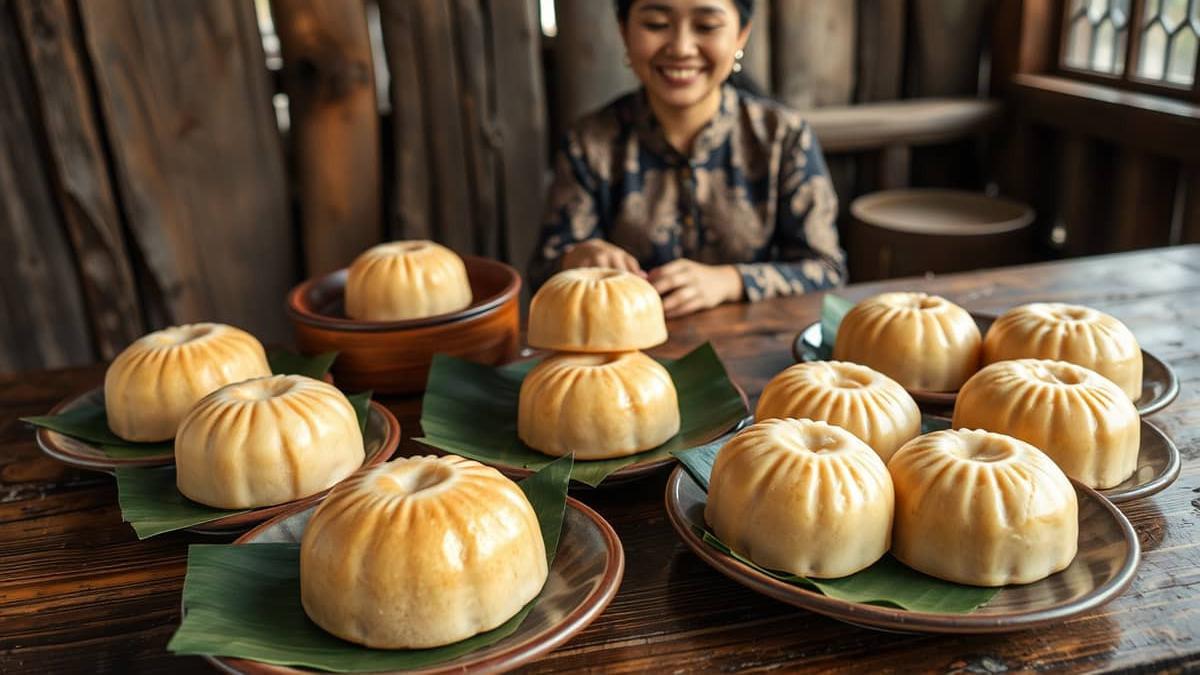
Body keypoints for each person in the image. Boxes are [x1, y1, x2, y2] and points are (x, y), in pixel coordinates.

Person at [528, 0, 847, 318]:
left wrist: (731, 282)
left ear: (741, 35)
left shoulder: (782, 138)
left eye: (706, 26)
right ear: (624, 32)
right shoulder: (589, 144)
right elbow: (542, 274)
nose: (681, 48)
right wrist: (577, 259)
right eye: (656, 24)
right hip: (627, 345)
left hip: (760, 344)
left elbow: (827, 271)